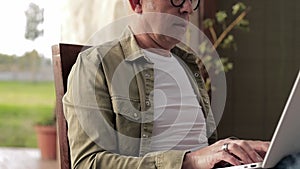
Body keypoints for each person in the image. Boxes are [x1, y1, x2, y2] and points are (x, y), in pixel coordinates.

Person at [62, 0, 270, 168]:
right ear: (137, 3)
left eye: (191, 0)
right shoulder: (97, 64)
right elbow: (87, 163)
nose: (187, 7)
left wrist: (234, 151)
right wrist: (189, 162)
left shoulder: (189, 66)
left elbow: (201, 149)